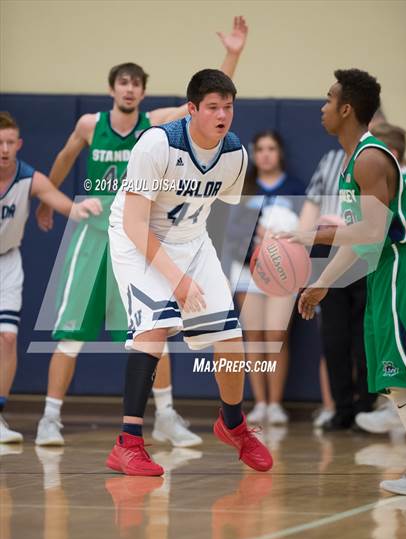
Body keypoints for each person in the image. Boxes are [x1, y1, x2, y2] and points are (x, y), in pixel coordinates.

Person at [34, 17, 248, 447]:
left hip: (144, 234)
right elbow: (62, 157)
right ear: (112, 88)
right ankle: (49, 418)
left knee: (155, 330)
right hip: (98, 232)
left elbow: (208, 106)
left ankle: (166, 415)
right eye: (123, 83)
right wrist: (49, 198)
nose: (129, 89)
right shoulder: (90, 125)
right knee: (71, 333)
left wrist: (232, 55)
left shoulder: (156, 122)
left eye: (136, 84)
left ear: (143, 92)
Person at [106, 68, 273, 476]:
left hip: (193, 240)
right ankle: (127, 443)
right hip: (137, 238)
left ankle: (232, 424)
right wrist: (176, 279)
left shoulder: (234, 154)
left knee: (231, 339)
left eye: (228, 107)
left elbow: (219, 212)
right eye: (212, 107)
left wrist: (261, 243)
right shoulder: (157, 143)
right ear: (192, 109)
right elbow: (133, 223)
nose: (222, 115)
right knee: (153, 331)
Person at [288, 69, 406, 495]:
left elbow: (370, 232)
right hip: (386, 270)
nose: (322, 108)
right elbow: (360, 237)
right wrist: (323, 281)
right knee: (398, 378)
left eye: (328, 100)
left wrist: (310, 236)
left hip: (404, 268)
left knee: (405, 373)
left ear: (347, 109)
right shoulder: (354, 160)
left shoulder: (369, 159)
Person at [0, 112, 101, 443]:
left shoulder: (29, 178)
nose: (3, 149)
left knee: (8, 339)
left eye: (9, 143)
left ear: (19, 145)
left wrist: (87, 208)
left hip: (8, 262)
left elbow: (66, 205)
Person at [226, 130, 305, 424]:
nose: (266, 154)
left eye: (272, 148)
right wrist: (250, 239)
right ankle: (260, 403)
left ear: (280, 152)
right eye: (260, 149)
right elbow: (228, 233)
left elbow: (308, 232)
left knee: (275, 336)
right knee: (255, 337)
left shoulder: (295, 189)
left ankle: (275, 403)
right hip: (247, 271)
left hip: (283, 272)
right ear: (254, 154)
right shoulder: (243, 189)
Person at [355, 121, 406, 435]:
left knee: (402, 359)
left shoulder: (403, 180)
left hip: (403, 271)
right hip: (390, 270)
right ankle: (397, 412)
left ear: (389, 154)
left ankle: (399, 415)